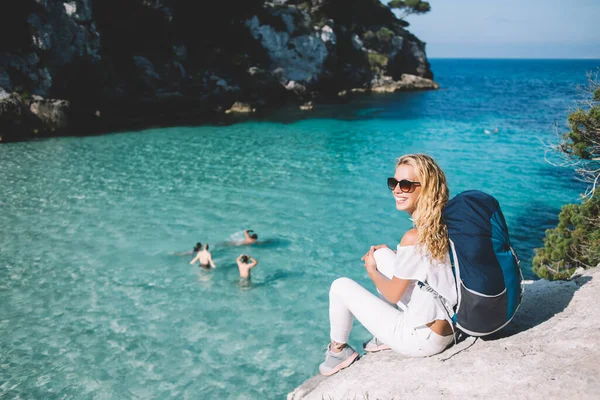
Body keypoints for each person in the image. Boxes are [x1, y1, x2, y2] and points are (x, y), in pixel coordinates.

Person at [318, 154, 457, 376]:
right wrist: (393, 256)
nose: (397, 190)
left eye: (406, 184)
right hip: (446, 324)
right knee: (383, 254)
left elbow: (393, 295)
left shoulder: (413, 237)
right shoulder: (445, 221)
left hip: (421, 339)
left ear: (427, 188)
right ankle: (383, 336)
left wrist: (372, 270)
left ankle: (338, 351)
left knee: (340, 286)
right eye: (394, 183)